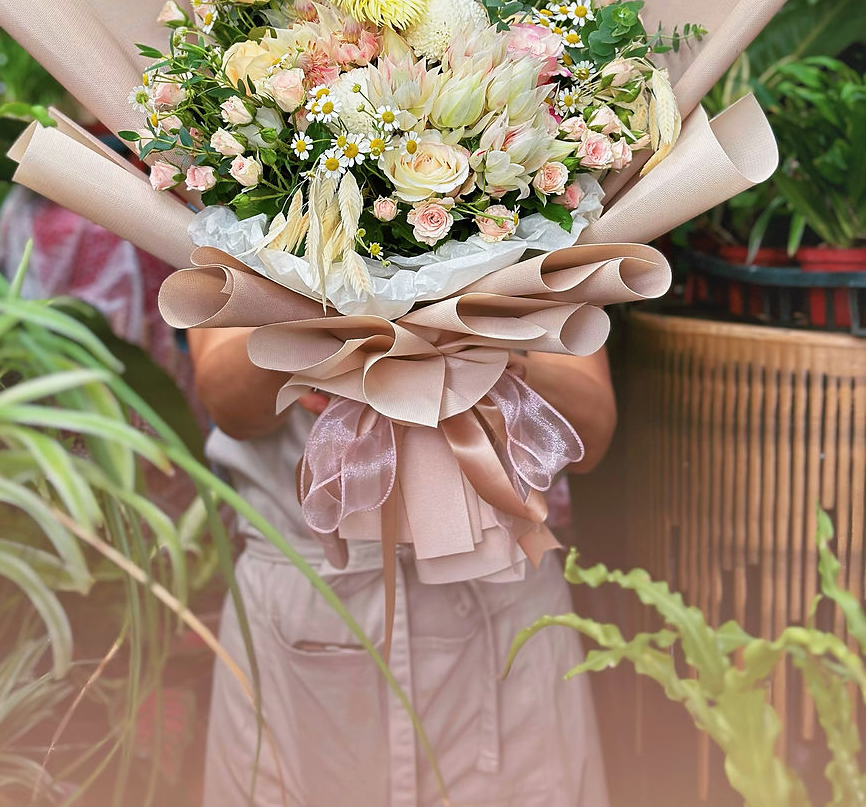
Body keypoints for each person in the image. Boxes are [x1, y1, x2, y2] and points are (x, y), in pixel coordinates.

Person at [191, 325, 614, 807]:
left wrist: (482, 358)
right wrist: (322, 326)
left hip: (501, 610)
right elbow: (228, 401)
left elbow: (591, 427)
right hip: (305, 610)